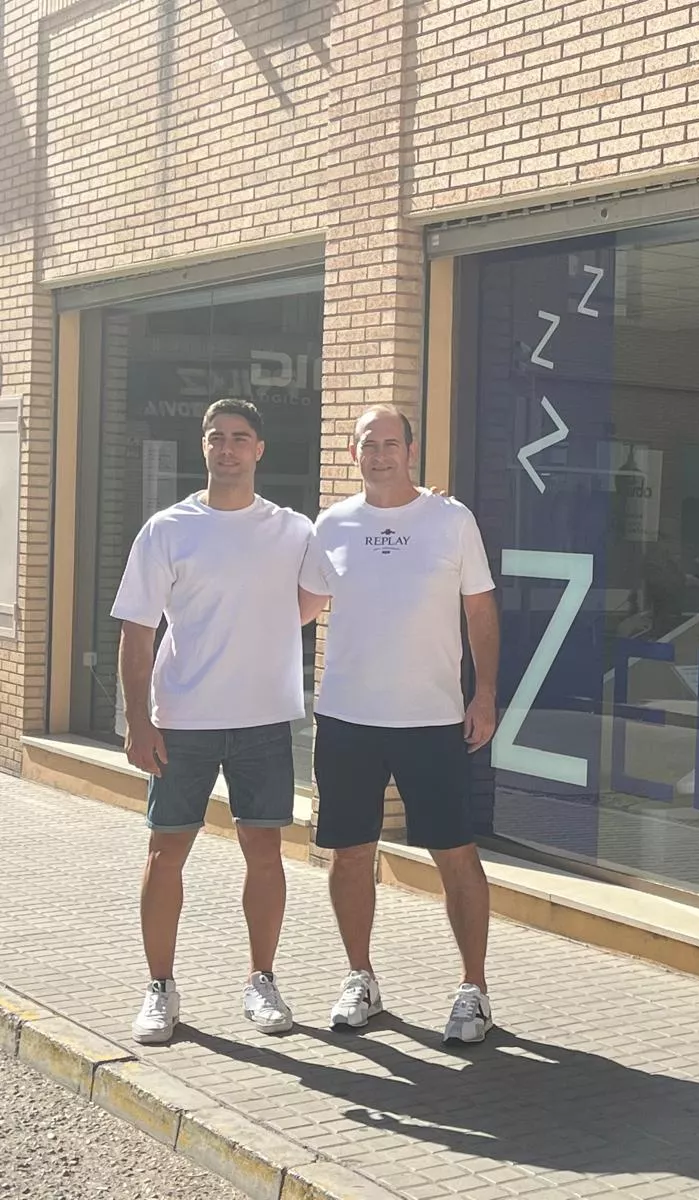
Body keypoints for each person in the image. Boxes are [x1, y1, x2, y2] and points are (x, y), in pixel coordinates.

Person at [298, 405, 501, 1043]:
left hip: (434, 719)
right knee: (350, 854)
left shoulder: (451, 520)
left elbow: (481, 613)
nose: (380, 454)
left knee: (455, 853)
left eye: (391, 443)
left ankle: (474, 989)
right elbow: (294, 611)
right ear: (353, 453)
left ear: (410, 451)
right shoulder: (331, 525)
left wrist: (485, 692)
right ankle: (360, 978)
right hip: (347, 719)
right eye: (369, 444)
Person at [115, 398, 312, 1044]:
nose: (227, 449)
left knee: (264, 853)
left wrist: (424, 503)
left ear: (259, 450)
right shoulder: (167, 530)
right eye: (216, 438)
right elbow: (137, 633)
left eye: (240, 438)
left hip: (262, 721)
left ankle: (262, 980)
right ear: (203, 447)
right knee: (165, 850)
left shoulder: (292, 530)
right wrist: (139, 722)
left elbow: (335, 579)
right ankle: (160, 989)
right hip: (182, 721)